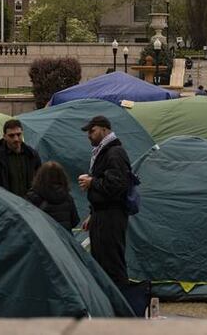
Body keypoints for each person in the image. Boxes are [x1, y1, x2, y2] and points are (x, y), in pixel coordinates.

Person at [78, 115, 132, 285]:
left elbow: (117, 184)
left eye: (92, 131)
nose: (89, 135)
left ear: (104, 129)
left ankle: (121, 304)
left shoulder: (114, 152)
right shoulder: (104, 151)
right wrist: (93, 213)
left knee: (112, 263)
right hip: (102, 214)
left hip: (112, 216)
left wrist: (92, 181)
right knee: (102, 261)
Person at [0, 119, 42, 196]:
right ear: (4, 136)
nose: (16, 139)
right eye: (11, 135)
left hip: (30, 204)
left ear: (22, 134)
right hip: (8, 204)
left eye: (18, 134)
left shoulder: (32, 155)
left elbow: (39, 180)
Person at [27, 160, 79, 230]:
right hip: (63, 238)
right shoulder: (67, 198)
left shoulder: (32, 197)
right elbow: (75, 222)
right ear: (62, 176)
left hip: (43, 238)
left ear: (40, 176)